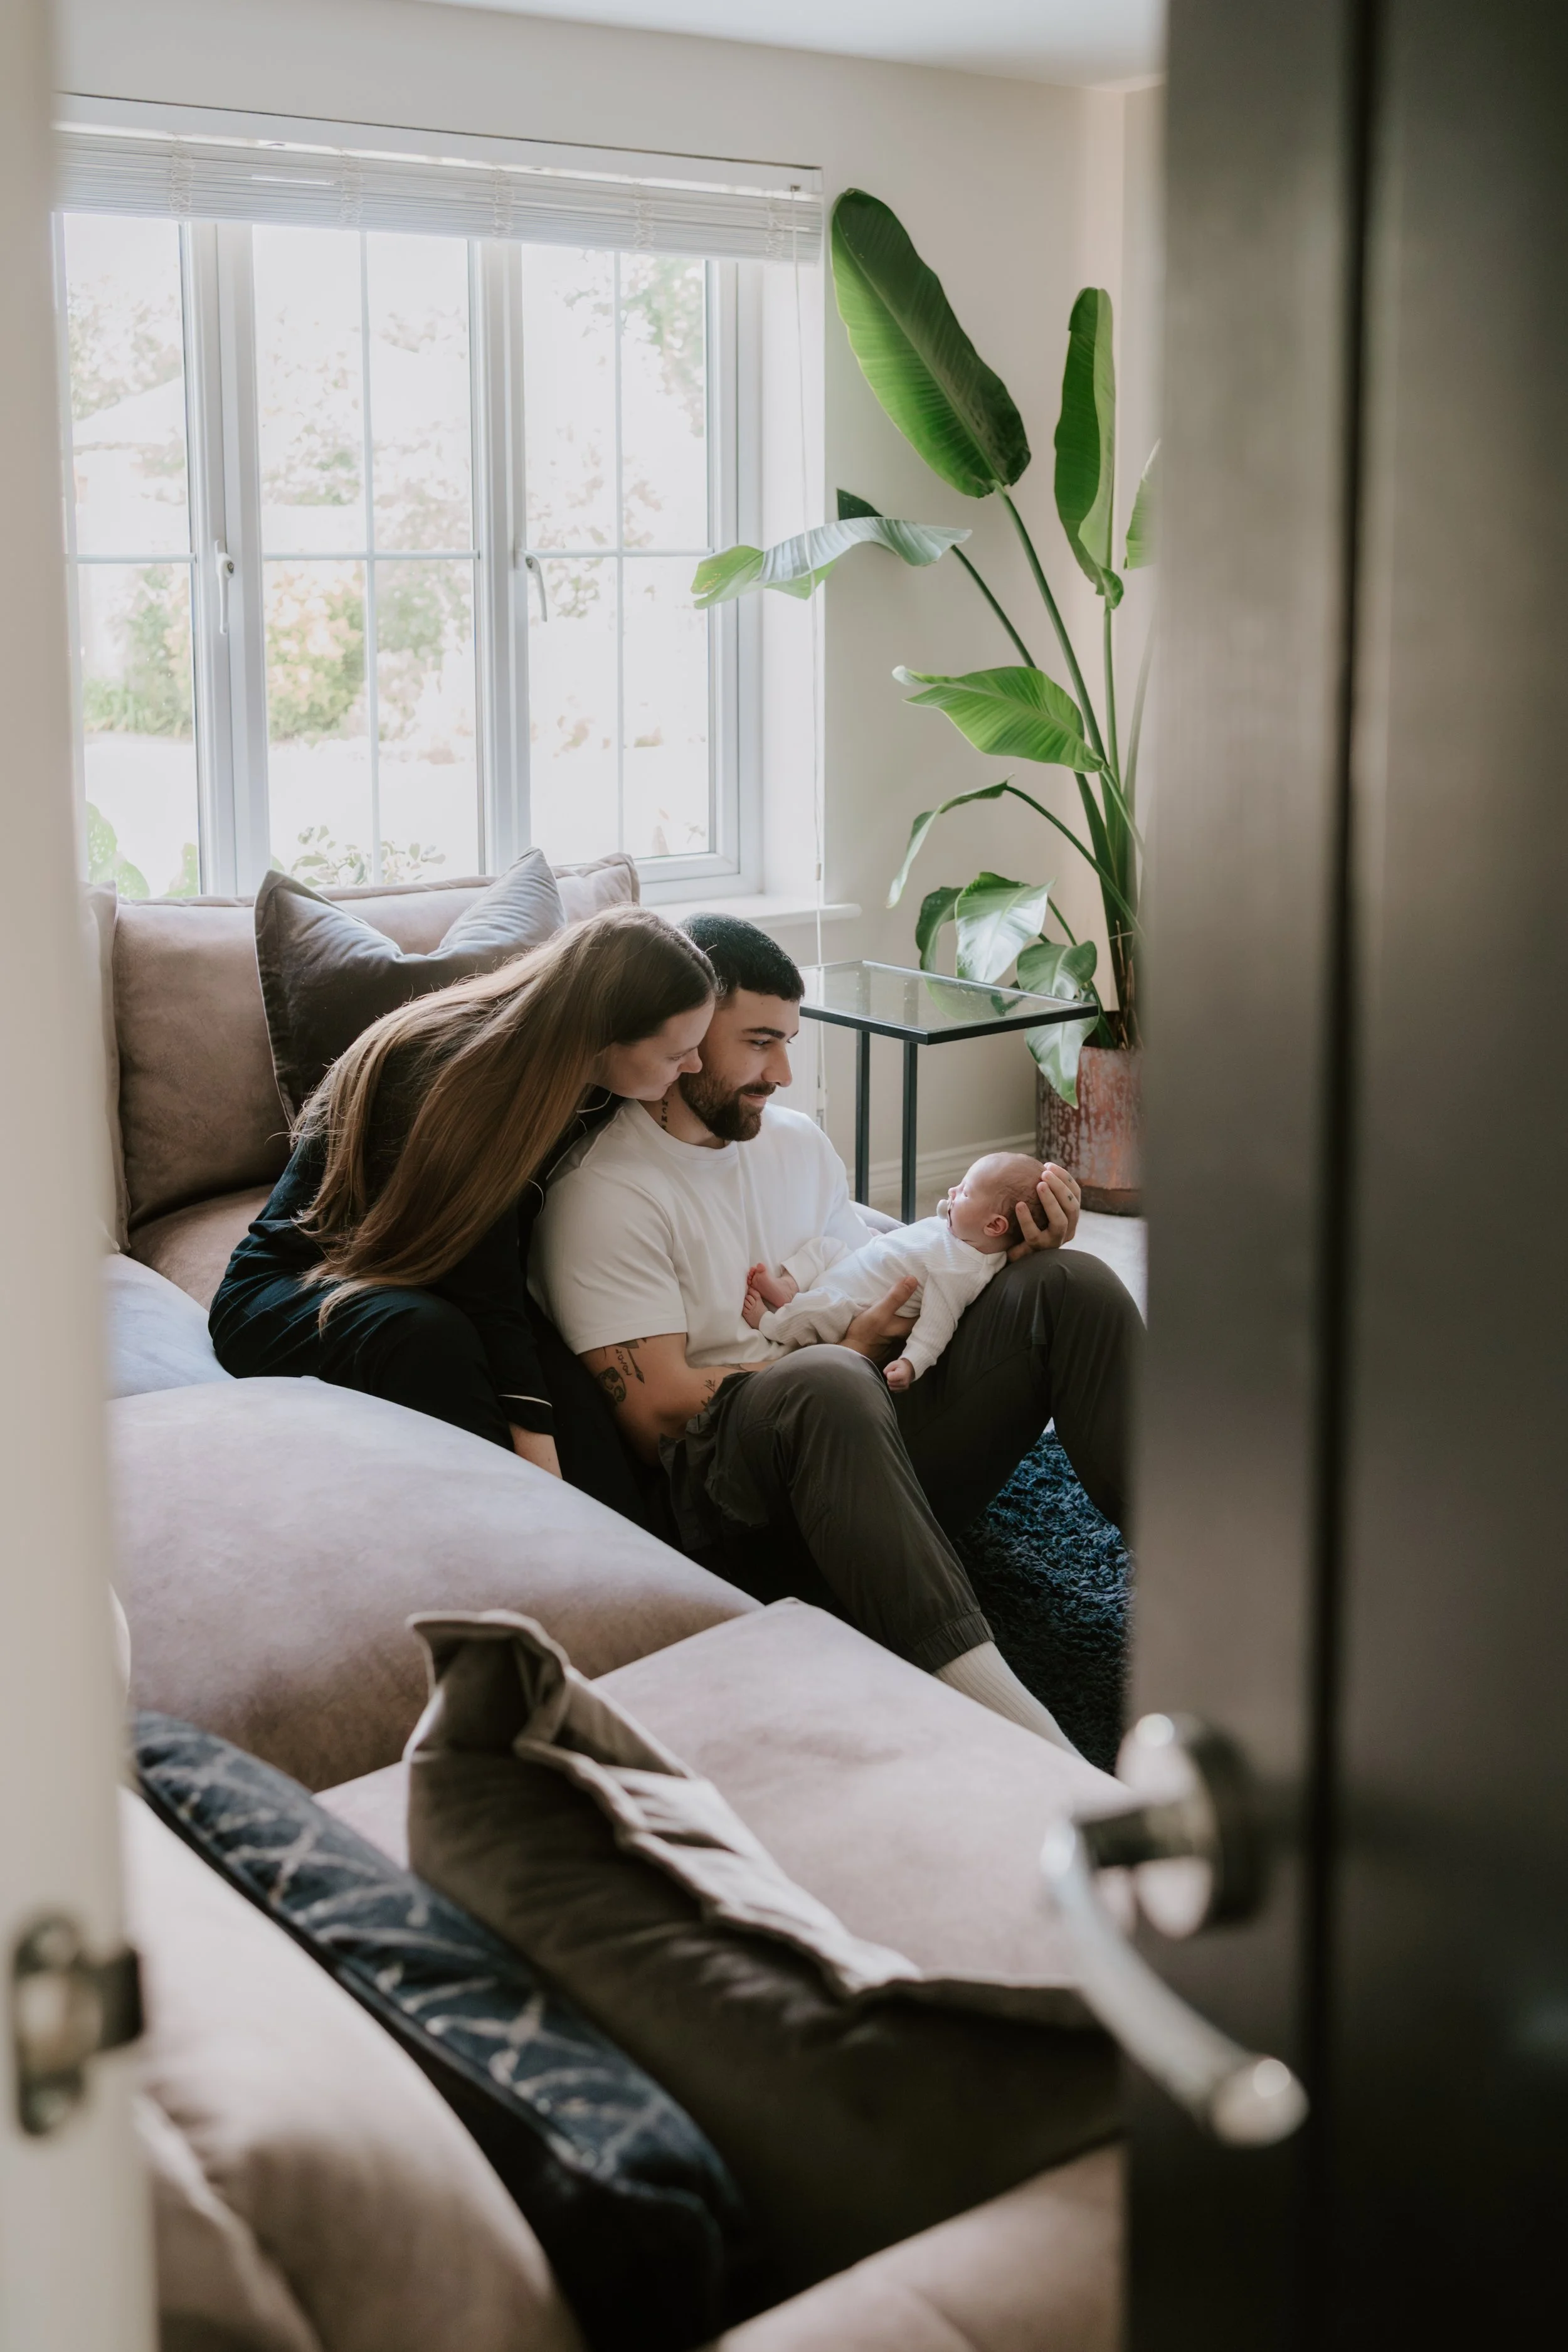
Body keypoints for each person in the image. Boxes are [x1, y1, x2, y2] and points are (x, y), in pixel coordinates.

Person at [530, 913, 1142, 1751]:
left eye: (788, 1040)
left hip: (868, 1444)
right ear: (686, 1035)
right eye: (757, 1043)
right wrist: (846, 1352)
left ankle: (1207, 1568)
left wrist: (1002, 1240)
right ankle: (1016, 1728)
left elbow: (879, 1266)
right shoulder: (605, 1192)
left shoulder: (797, 1144)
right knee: (828, 1377)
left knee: (1069, 1283)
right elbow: (659, 1414)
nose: (782, 1071)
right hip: (745, 1507)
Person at [209, 906, 716, 1515]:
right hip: (293, 1290)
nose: (694, 1067)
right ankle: (514, 1539)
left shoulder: (590, 1083)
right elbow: (488, 1293)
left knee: (579, 1401)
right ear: (605, 1035)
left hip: (429, 1277)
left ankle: (653, 1572)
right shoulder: (453, 1077)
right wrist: (542, 1483)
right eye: (677, 1053)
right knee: (432, 1339)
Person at [743, 1149, 1050, 1391]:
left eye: (966, 1192)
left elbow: (937, 1326)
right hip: (856, 1265)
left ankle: (772, 1323)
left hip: (854, 1304)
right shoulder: (962, 1229)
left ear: (995, 1225)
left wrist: (910, 1363)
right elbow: (940, 1218)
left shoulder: (961, 1273)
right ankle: (789, 1288)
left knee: (822, 1307)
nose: (953, 1192)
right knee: (826, 1246)